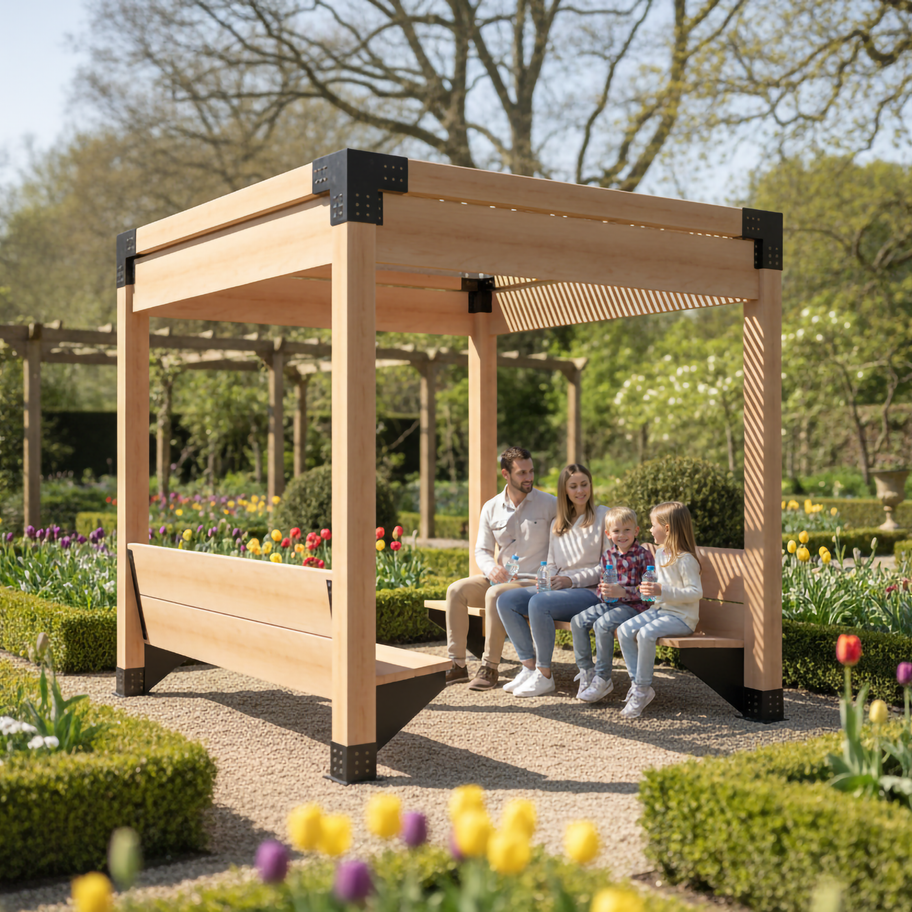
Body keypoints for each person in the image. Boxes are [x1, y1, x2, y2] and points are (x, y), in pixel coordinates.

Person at [443, 446, 557, 690]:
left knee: (495, 594)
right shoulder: (490, 507)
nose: (528, 478)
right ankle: (457, 664)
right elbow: (481, 550)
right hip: (500, 578)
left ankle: (490, 667)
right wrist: (490, 568)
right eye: (521, 473)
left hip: (532, 582)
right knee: (456, 590)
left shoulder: (550, 504)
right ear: (505, 474)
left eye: (531, 471)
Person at [496, 464, 608, 698]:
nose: (580, 491)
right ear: (564, 490)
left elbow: (606, 567)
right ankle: (528, 667)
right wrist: (545, 579)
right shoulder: (558, 523)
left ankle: (544, 675)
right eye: (573, 486)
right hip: (561, 592)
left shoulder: (603, 516)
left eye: (584, 484)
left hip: (591, 592)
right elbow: (551, 563)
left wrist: (570, 580)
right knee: (506, 600)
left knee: (539, 604)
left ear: (591, 485)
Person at [616, 501, 703, 719]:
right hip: (661, 611)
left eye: (653, 525)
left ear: (666, 529)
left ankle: (643, 689)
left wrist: (662, 590)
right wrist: (651, 589)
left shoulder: (686, 559)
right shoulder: (661, 553)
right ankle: (638, 685)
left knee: (646, 633)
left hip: (682, 618)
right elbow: (660, 589)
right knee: (624, 630)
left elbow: (695, 592)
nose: (650, 530)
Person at [571, 506, 651, 703]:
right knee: (577, 621)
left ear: (636, 531)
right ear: (608, 534)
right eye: (616, 531)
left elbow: (649, 593)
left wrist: (625, 592)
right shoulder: (608, 556)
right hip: (610, 604)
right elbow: (602, 586)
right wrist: (604, 593)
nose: (622, 535)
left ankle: (603, 678)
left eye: (627, 530)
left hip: (634, 607)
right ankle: (587, 671)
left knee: (603, 624)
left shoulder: (643, 555)